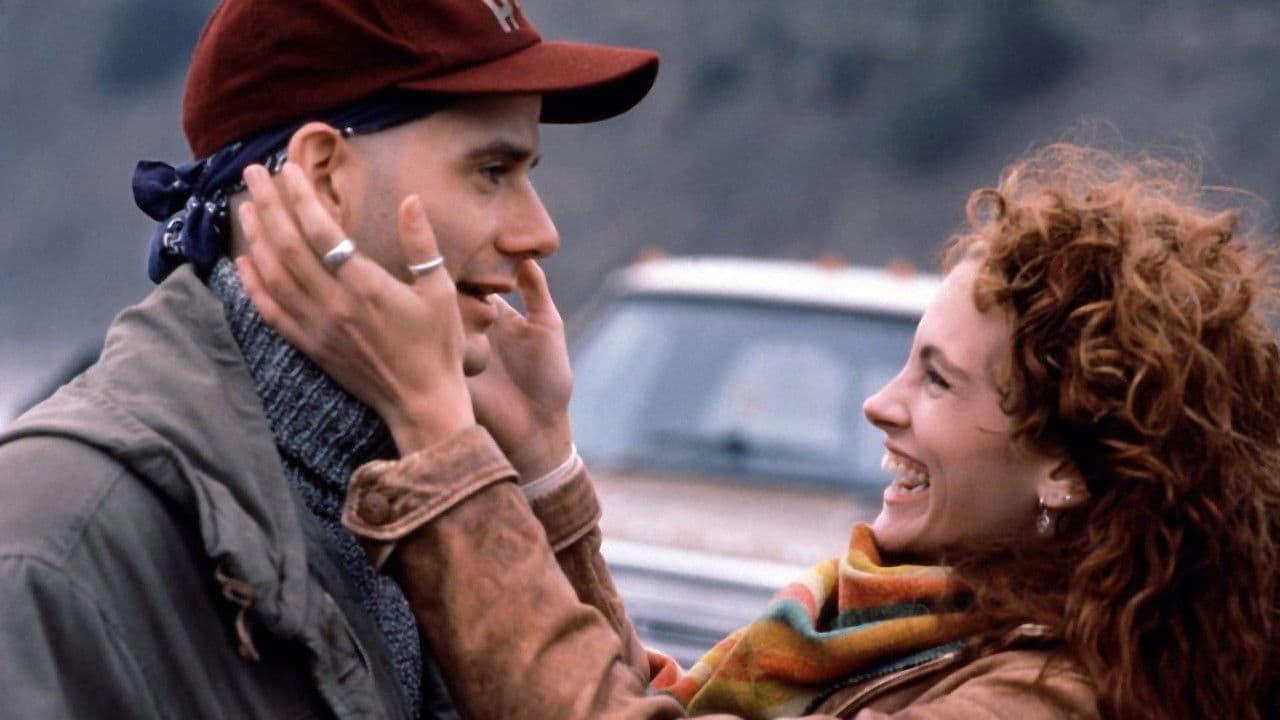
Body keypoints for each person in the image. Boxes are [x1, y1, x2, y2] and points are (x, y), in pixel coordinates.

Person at [238, 142, 1280, 719]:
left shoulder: (1041, 699)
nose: (881, 404)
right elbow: (661, 707)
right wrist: (543, 452)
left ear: (1063, 469)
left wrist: (436, 432)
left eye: (936, 379)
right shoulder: (943, 625)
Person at [0, 0, 658, 717]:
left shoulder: (444, 481)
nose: (540, 232)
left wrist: (537, 477)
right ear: (322, 177)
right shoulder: (54, 541)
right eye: (493, 170)